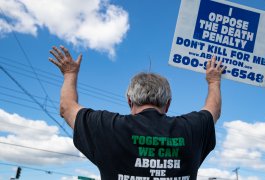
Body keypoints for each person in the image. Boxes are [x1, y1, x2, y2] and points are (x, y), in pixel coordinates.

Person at [49, 45, 225, 180]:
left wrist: (70, 73)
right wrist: (214, 80)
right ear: (168, 103)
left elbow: (67, 107)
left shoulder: (107, 127)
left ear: (129, 101)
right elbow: (213, 110)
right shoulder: (193, 129)